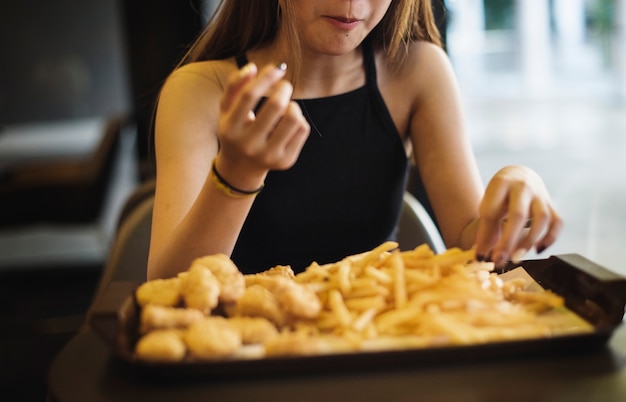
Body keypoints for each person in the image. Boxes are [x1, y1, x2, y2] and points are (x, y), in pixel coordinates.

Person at [147, 0, 562, 280]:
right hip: (241, 359)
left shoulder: (416, 72)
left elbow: (473, 245)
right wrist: (236, 175)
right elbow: (166, 289)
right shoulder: (199, 91)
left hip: (375, 353)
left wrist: (518, 192)